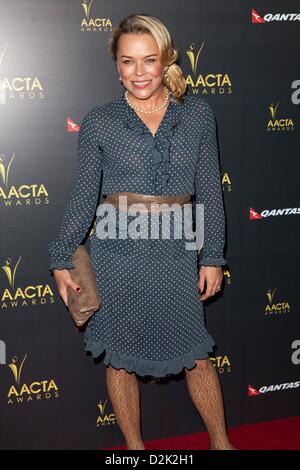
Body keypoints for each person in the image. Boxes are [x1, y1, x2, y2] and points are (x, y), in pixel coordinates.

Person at [48, 14, 236, 451]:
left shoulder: (197, 116)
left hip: (175, 254)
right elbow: (82, 197)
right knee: (120, 359)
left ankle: (222, 443)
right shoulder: (100, 121)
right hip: (117, 256)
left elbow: (210, 190)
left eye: (149, 61)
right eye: (128, 62)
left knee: (197, 357)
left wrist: (212, 256)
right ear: (116, 64)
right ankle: (135, 448)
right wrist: (60, 258)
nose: (138, 73)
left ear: (165, 60)